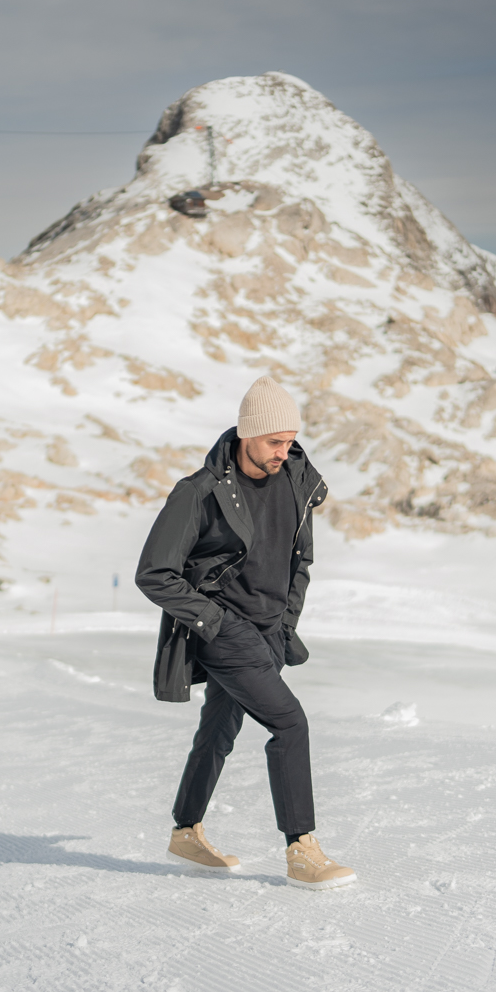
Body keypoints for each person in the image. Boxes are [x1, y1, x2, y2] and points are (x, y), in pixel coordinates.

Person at [135, 376, 356, 890]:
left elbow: (301, 560)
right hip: (226, 633)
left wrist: (285, 623)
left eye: (291, 439)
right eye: (275, 441)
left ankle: (185, 832)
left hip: (269, 634)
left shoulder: (298, 480)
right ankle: (301, 850)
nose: (286, 451)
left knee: (218, 731)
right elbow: (155, 572)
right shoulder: (201, 491)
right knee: (290, 724)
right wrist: (214, 623)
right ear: (247, 433)